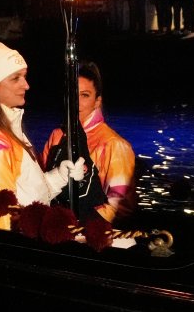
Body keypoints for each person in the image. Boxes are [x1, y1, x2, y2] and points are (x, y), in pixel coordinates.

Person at [0, 38, 85, 229]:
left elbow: (28, 195)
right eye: (15, 78)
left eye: (24, 76)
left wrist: (60, 176)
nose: (26, 85)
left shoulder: (7, 128)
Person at [40, 61, 137, 223]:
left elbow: (121, 205)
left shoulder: (114, 145)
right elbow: (41, 180)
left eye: (85, 95)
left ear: (97, 101)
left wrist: (82, 226)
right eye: (72, 94)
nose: (76, 102)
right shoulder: (56, 136)